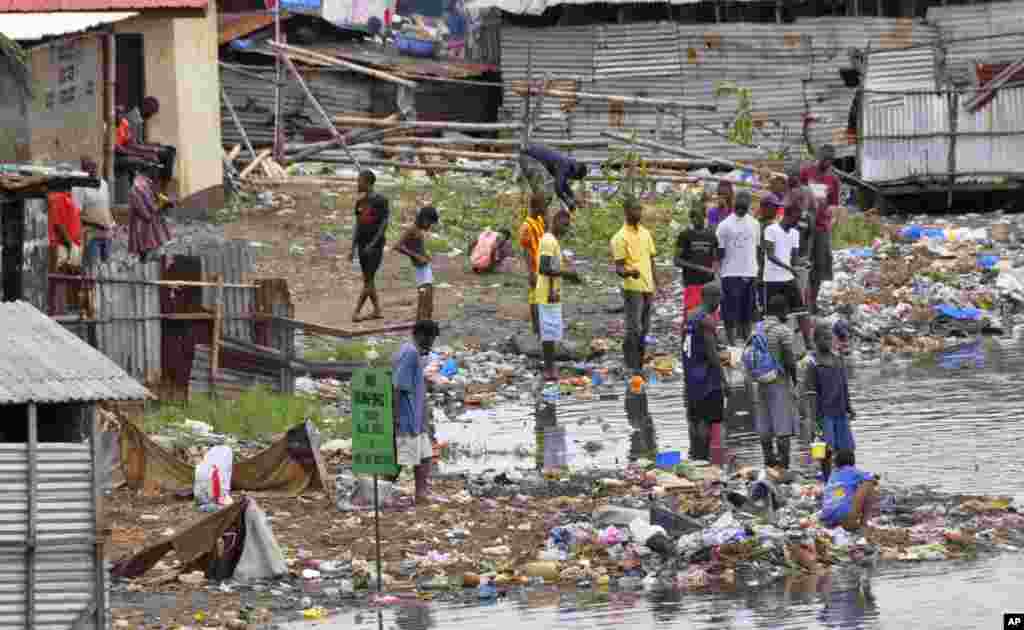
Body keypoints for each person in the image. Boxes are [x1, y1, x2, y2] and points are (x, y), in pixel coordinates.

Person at [392, 320, 440, 505]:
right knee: (402, 460)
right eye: (431, 338)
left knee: (424, 456)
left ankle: (421, 494)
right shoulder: (410, 353)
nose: (431, 343)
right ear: (422, 335)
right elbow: (397, 386)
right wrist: (396, 417)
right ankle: (377, 490)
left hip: (416, 416)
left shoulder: (410, 351)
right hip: (407, 415)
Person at [804, 320, 856, 482]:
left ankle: (846, 478)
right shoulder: (812, 363)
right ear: (816, 341)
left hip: (840, 411)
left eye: (829, 338)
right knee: (823, 449)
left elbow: (844, 385)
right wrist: (812, 420)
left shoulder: (838, 359)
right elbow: (811, 394)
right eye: (824, 338)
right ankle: (827, 479)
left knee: (847, 448)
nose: (828, 341)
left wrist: (849, 407)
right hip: (823, 413)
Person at [611, 195, 657, 376]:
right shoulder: (619, 238)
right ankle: (631, 364)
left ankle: (639, 363)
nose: (638, 213)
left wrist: (656, 282)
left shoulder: (645, 233)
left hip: (647, 286)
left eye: (640, 209)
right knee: (634, 327)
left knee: (645, 327)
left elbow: (651, 259)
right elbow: (619, 268)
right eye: (635, 209)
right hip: (632, 287)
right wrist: (630, 273)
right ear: (626, 212)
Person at [683, 282, 725, 461]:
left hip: (690, 375)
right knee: (705, 420)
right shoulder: (707, 320)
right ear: (712, 298)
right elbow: (712, 355)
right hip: (706, 377)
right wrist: (724, 379)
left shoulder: (690, 316)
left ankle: (695, 455)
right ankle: (703, 459)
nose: (720, 301)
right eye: (719, 297)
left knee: (694, 418)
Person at [757, 294, 799, 470]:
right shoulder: (783, 330)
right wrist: (795, 380)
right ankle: (783, 466)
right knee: (783, 427)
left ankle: (768, 463)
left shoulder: (757, 328)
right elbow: (789, 360)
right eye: (786, 310)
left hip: (760, 382)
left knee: (765, 425)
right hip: (779, 382)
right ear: (782, 310)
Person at [764, 201, 813, 348]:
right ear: (788, 215)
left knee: (801, 311)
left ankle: (808, 343)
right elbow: (770, 255)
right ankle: (771, 344)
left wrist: (804, 262)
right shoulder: (771, 230)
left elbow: (794, 258)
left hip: (788, 278)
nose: (798, 222)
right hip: (772, 279)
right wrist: (789, 267)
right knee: (772, 316)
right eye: (796, 219)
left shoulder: (795, 233)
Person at [800, 145, 841, 315]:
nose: (828, 163)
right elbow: (797, 193)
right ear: (819, 157)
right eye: (825, 159)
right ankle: (802, 300)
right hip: (804, 226)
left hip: (821, 227)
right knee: (803, 263)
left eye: (830, 161)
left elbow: (833, 204)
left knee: (819, 265)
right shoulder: (806, 173)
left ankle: (812, 301)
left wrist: (831, 218)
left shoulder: (833, 180)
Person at [716, 189, 760, 346]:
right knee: (730, 311)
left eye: (744, 206)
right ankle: (732, 343)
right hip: (730, 273)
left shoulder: (755, 224)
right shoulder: (724, 226)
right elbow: (720, 252)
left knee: (747, 311)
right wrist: (717, 273)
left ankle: (747, 342)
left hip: (750, 272)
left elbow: (756, 248)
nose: (741, 209)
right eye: (738, 206)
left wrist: (757, 271)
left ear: (748, 205)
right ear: (734, 204)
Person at [349, 170, 390, 322]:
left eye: (359, 180)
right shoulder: (360, 202)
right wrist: (352, 248)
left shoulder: (381, 201)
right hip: (362, 246)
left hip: (375, 247)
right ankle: (377, 310)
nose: (357, 183)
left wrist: (373, 244)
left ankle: (356, 312)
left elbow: (384, 225)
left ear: (367, 182)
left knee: (369, 279)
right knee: (368, 280)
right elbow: (358, 226)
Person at [536, 209, 571, 380]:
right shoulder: (549, 241)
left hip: (552, 292)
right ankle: (549, 369)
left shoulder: (552, 241)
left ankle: (551, 367)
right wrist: (565, 274)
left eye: (568, 226)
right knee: (549, 333)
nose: (566, 229)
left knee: (551, 332)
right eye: (564, 225)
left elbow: (551, 266)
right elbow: (543, 268)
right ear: (556, 221)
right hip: (547, 293)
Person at [675, 206, 718, 319]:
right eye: (693, 217)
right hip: (691, 282)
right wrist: (698, 267)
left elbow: (715, 258)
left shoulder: (711, 236)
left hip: (708, 285)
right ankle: (686, 337)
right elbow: (677, 260)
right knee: (690, 316)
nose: (697, 220)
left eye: (699, 217)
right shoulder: (685, 235)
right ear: (691, 219)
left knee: (709, 318)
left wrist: (715, 272)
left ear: (705, 217)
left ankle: (708, 337)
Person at [397, 206, 439, 321]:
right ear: (425, 219)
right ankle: (421, 324)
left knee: (428, 303)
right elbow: (398, 246)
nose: (429, 226)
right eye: (430, 223)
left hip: (425, 268)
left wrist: (425, 254)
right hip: (421, 270)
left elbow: (417, 247)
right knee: (425, 301)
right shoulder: (412, 229)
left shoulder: (418, 230)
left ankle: (424, 324)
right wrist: (416, 256)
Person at [820, 449, 879, 531]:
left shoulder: (833, 473)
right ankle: (864, 523)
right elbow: (872, 479)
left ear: (837, 461)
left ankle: (846, 520)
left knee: (845, 490)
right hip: (845, 520)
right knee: (868, 483)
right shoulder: (851, 470)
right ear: (852, 461)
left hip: (827, 519)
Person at [72, 157, 114, 268]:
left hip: (107, 234)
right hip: (91, 235)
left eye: (95, 167)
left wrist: (111, 225)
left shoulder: (104, 184)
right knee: (91, 269)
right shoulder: (79, 187)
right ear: (83, 169)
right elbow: (76, 213)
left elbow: (106, 207)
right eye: (89, 167)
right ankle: (89, 285)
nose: (93, 170)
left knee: (105, 270)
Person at [521, 143, 587, 212]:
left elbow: (563, 184)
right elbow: (558, 188)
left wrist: (573, 197)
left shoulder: (568, 164)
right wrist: (568, 202)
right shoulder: (565, 165)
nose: (570, 178)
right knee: (545, 195)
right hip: (528, 158)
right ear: (575, 173)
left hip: (530, 157)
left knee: (545, 196)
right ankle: (535, 215)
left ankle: (537, 213)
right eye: (573, 177)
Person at [518, 192, 547, 339]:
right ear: (536, 206)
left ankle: (541, 326)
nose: (545, 208)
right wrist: (531, 272)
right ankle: (536, 328)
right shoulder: (526, 226)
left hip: (541, 266)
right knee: (534, 298)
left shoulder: (540, 221)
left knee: (540, 298)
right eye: (543, 205)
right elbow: (526, 251)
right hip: (534, 267)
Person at [127, 166, 171, 263]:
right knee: (146, 257)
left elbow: (156, 197)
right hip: (143, 232)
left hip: (152, 231)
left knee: (157, 255)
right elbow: (146, 214)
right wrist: (161, 206)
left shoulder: (147, 186)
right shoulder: (134, 192)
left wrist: (164, 202)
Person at [48, 190, 83, 272]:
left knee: (72, 274)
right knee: (61, 274)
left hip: (72, 243)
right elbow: (58, 224)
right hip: (62, 244)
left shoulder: (70, 197)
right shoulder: (58, 198)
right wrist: (70, 244)